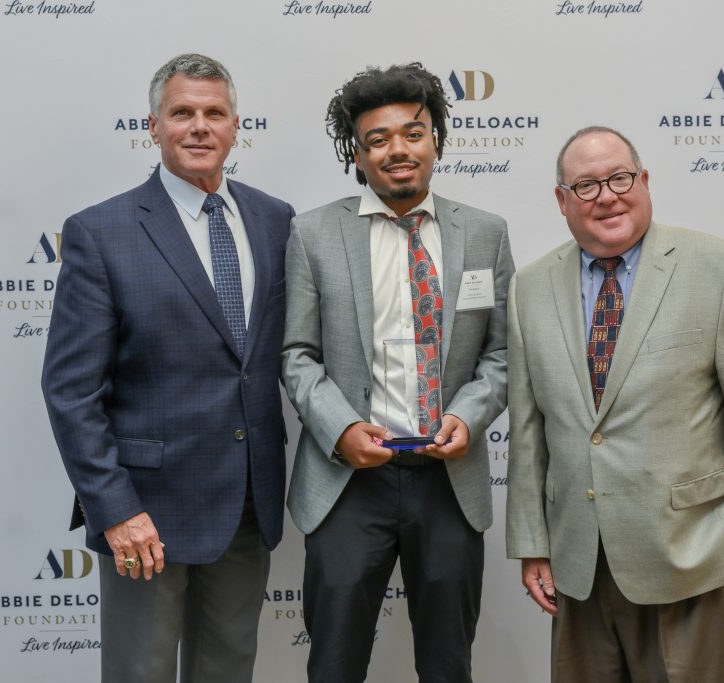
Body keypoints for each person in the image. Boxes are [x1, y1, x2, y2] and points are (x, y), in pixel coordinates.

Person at [505, 126, 724, 682]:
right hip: (576, 563)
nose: (607, 196)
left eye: (619, 178)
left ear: (644, 181)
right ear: (562, 200)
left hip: (684, 554)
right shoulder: (530, 287)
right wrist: (532, 542)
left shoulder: (720, 268)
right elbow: (527, 428)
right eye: (586, 186)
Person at [41, 53, 294, 683]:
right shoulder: (101, 231)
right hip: (145, 512)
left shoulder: (276, 220)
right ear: (153, 126)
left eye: (214, 113)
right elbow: (71, 391)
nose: (199, 126)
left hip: (247, 502)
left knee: (229, 670)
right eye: (182, 112)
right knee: (141, 672)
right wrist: (114, 509)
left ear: (236, 126)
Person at [282, 62, 514, 683]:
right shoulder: (312, 234)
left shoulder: (486, 234)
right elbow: (296, 355)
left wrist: (468, 415)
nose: (398, 150)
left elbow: (501, 353)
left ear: (435, 139)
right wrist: (341, 429)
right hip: (348, 481)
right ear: (357, 156)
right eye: (378, 139)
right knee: (334, 663)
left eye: (413, 133)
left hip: (448, 480)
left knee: (447, 663)